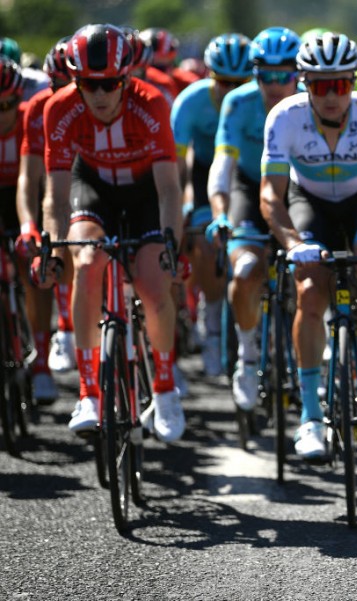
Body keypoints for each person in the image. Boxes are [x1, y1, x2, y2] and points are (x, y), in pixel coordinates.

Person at [42, 24, 185, 441]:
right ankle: (89, 393)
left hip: (145, 194)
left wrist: (171, 247)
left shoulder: (151, 103)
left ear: (126, 77)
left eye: (111, 84)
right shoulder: (59, 108)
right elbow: (55, 196)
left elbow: (169, 189)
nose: (100, 94)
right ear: (75, 80)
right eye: (89, 84)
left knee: (154, 286)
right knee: (87, 261)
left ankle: (165, 388)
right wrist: (53, 249)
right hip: (94, 187)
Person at [260, 31, 357, 459]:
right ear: (304, 83)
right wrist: (291, 243)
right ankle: (309, 416)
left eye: (340, 84)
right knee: (308, 289)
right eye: (320, 86)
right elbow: (270, 195)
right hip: (310, 201)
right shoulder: (284, 117)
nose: (331, 95)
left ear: (353, 81)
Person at [205, 26, 301, 411]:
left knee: (311, 273)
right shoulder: (238, 102)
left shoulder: (307, 103)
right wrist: (219, 214)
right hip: (248, 185)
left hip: (295, 189)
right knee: (246, 270)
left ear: (297, 75)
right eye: (266, 76)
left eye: (283, 75)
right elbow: (222, 164)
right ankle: (246, 356)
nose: (275, 84)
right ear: (255, 74)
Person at [171, 33, 253, 377]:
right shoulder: (190, 102)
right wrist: (179, 208)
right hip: (204, 175)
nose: (231, 90)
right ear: (209, 76)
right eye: (224, 82)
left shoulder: (259, 99)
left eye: (240, 83)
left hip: (249, 175)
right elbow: (176, 167)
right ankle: (213, 321)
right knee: (205, 241)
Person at [16, 39, 73, 403]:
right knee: (37, 261)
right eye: (56, 85)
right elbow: (30, 177)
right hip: (51, 189)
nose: (64, 95)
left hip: (94, 186)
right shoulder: (39, 108)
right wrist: (29, 225)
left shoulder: (100, 104)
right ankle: (41, 360)